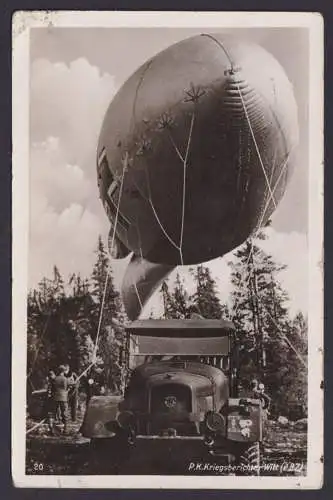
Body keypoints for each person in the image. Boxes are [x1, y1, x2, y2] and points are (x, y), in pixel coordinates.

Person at [53, 365, 69, 434]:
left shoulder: (55, 378)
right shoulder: (64, 379)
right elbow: (65, 388)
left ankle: (53, 430)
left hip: (56, 397)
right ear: (63, 371)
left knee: (55, 413)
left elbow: (53, 388)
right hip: (63, 397)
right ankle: (65, 429)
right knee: (64, 413)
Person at [44, 369, 56, 435]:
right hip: (52, 400)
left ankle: (51, 427)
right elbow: (49, 392)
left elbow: (49, 392)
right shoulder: (52, 382)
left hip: (52, 399)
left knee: (51, 414)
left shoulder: (52, 382)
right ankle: (51, 428)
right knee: (51, 414)